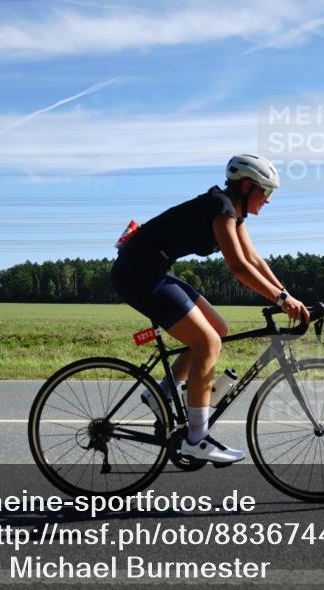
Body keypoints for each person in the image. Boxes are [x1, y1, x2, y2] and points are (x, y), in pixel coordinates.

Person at [110, 154, 310, 465]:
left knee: (217, 329)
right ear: (246, 186)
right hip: (137, 273)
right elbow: (238, 266)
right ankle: (196, 439)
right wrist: (282, 301)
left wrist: (288, 296)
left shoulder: (233, 211)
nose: (268, 201)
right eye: (266, 192)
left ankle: (159, 395)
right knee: (207, 342)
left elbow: (255, 260)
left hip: (153, 269)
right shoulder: (221, 207)